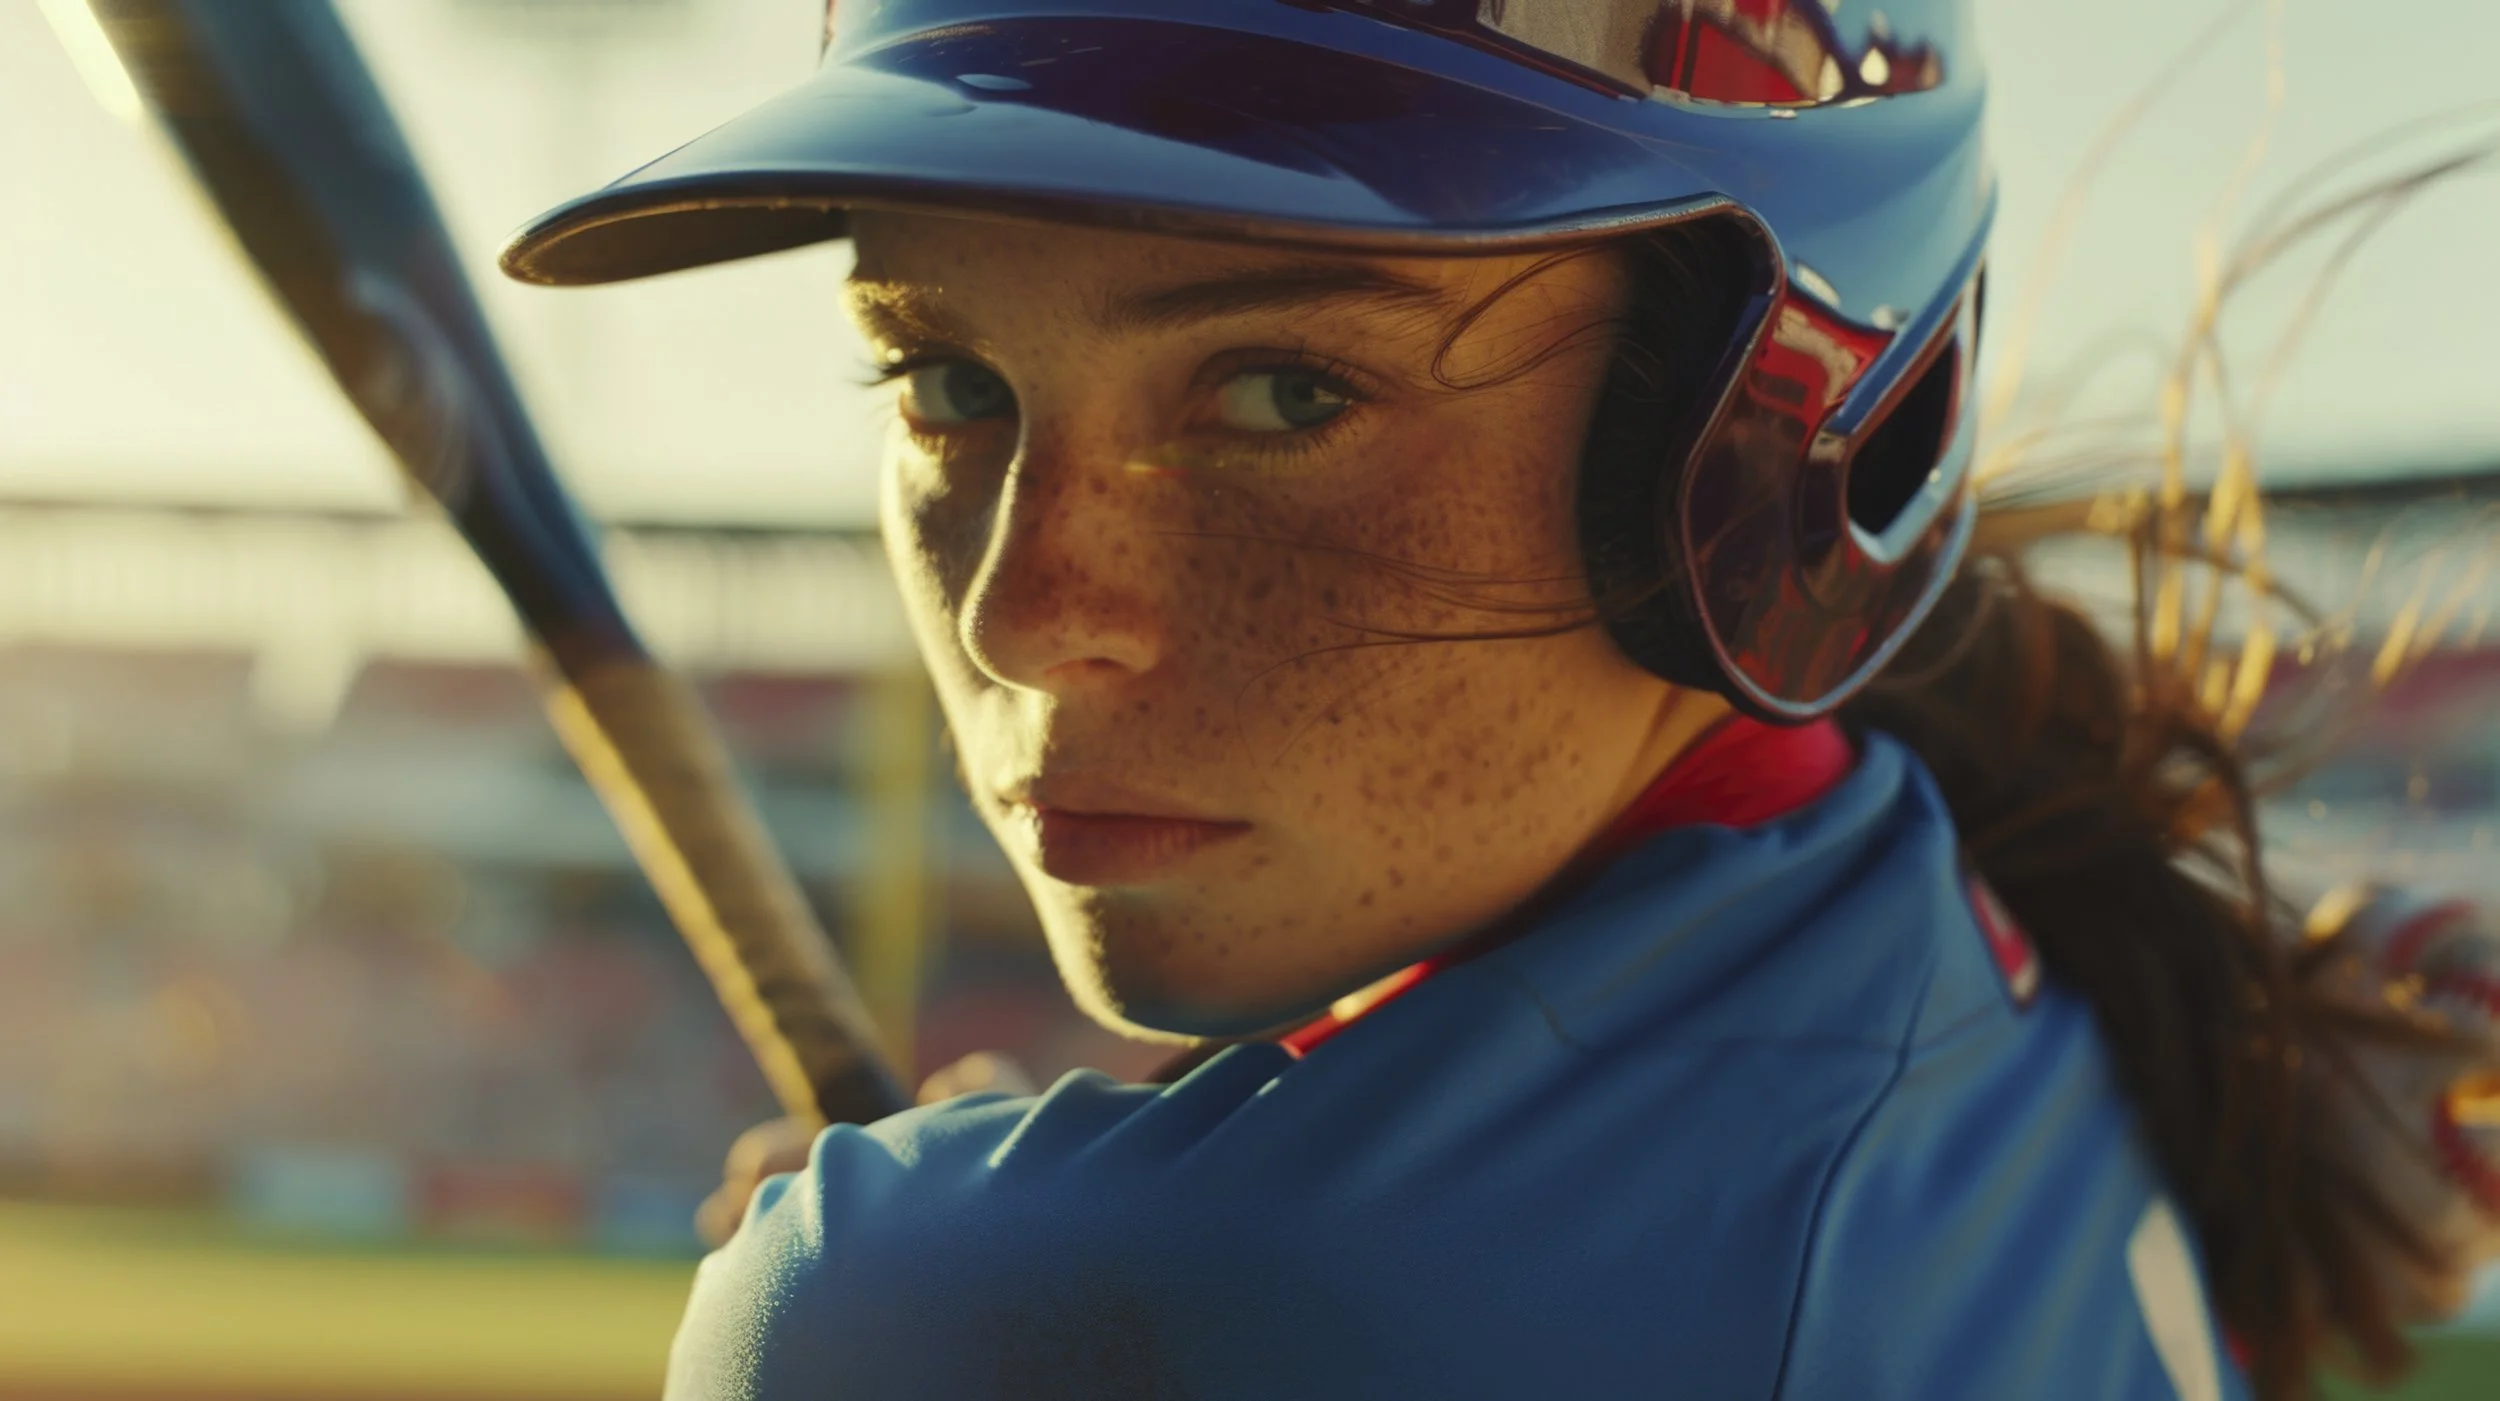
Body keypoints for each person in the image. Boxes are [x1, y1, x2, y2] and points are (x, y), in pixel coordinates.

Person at [499, 2, 2500, 1396]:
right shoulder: (1952, 914)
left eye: (1285, 394)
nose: (1031, 614)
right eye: (945, 384)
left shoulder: (955, 1312)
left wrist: (947, 1292)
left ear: (1754, 447)